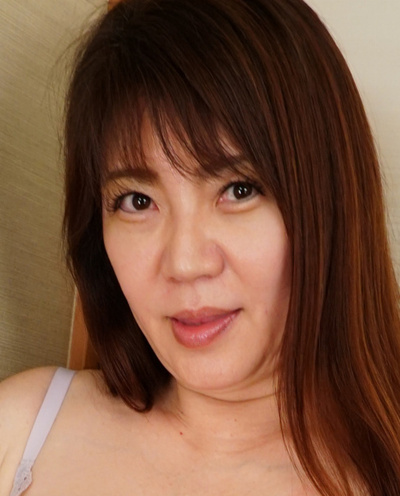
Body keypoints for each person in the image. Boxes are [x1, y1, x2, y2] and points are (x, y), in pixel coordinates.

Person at [0, 0, 399, 494]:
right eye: (137, 200)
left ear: (331, 204)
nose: (185, 263)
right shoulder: (21, 428)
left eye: (239, 190)